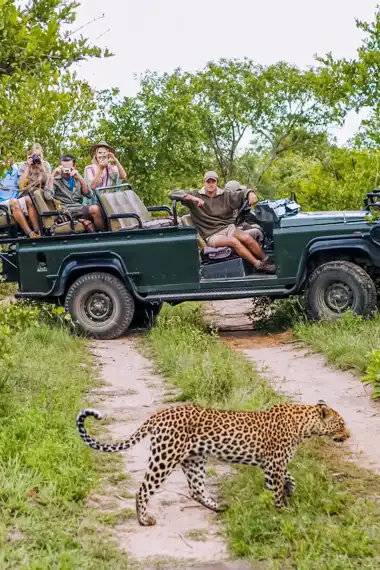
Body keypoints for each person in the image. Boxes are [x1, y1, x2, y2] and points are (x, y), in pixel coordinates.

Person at [170, 171, 275, 273]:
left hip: (227, 227)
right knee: (233, 242)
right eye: (208, 181)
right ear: (204, 183)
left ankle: (267, 260)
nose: (211, 184)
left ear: (217, 182)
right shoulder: (196, 195)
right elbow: (172, 193)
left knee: (247, 237)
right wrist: (193, 199)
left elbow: (241, 194)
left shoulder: (225, 195)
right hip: (211, 235)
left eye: (213, 181)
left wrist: (250, 193)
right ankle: (258, 265)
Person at [45, 154, 105, 231]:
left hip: (79, 208)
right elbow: (48, 196)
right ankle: (101, 234)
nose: (66, 171)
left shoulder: (77, 178)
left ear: (74, 166)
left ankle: (104, 231)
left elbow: (89, 195)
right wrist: (52, 175)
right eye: (64, 167)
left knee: (102, 208)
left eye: (69, 168)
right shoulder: (55, 180)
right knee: (95, 209)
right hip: (66, 211)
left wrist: (80, 179)